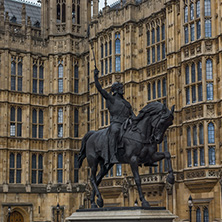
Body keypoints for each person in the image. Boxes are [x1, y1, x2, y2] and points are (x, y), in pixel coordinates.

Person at [94, 68, 135, 165]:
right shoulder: (111, 99)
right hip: (116, 124)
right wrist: (95, 77)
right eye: (120, 88)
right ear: (116, 90)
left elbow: (133, 116)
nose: (122, 89)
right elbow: (100, 89)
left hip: (126, 124)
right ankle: (112, 156)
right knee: (115, 131)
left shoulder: (126, 103)